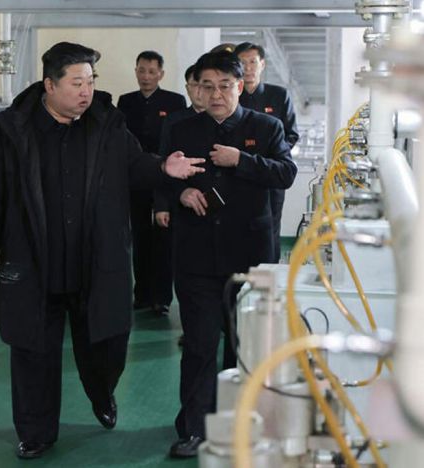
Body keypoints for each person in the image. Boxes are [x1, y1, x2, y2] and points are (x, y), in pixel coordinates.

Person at [0, 42, 204, 460]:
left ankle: (102, 392)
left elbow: (134, 165)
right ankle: (35, 431)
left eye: (90, 82)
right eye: (77, 83)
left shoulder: (107, 123)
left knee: (106, 342)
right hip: (34, 256)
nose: (86, 91)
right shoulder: (11, 128)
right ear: (49, 85)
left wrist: (162, 167)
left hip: (95, 257)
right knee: (32, 348)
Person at [166, 51, 297, 458]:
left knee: (244, 346)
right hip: (197, 256)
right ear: (197, 89)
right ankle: (194, 428)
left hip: (249, 258)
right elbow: (161, 176)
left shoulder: (267, 127)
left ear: (240, 86)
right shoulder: (181, 129)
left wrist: (242, 160)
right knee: (200, 344)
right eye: (208, 86)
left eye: (225, 86)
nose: (216, 94)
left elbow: (286, 173)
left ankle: (243, 424)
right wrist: (180, 192)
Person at [117, 51, 187, 315]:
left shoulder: (174, 101)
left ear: (161, 74)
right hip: (135, 179)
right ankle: (142, 294)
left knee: (163, 239)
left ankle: (162, 298)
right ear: (136, 71)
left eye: (151, 71)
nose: (145, 76)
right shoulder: (126, 102)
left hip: (164, 179)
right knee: (139, 236)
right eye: (141, 70)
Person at [153, 63, 208, 347]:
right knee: (185, 272)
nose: (199, 92)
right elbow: (163, 163)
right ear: (187, 88)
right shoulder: (175, 122)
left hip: (216, 210)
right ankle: (191, 328)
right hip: (182, 205)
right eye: (194, 86)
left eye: (204, 85)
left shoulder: (221, 120)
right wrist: (162, 204)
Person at [235, 42, 300, 262]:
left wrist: (271, 157)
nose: (248, 68)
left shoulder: (279, 95)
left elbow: (291, 135)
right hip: (238, 174)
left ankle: (270, 272)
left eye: (252, 62)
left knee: (270, 229)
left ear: (262, 64)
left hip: (270, 175)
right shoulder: (231, 97)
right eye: (242, 63)